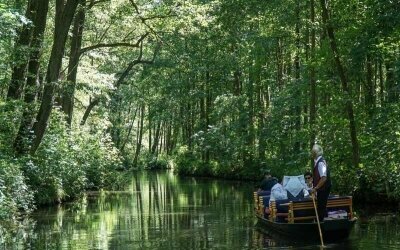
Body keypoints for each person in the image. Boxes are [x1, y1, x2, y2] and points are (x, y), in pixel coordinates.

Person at [310, 144, 331, 221]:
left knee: (321, 207)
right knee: (321, 207)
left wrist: (316, 188)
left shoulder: (320, 162)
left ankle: (322, 226)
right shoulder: (319, 162)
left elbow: (324, 178)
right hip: (322, 189)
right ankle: (322, 223)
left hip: (323, 188)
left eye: (312, 152)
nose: (311, 153)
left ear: (315, 152)